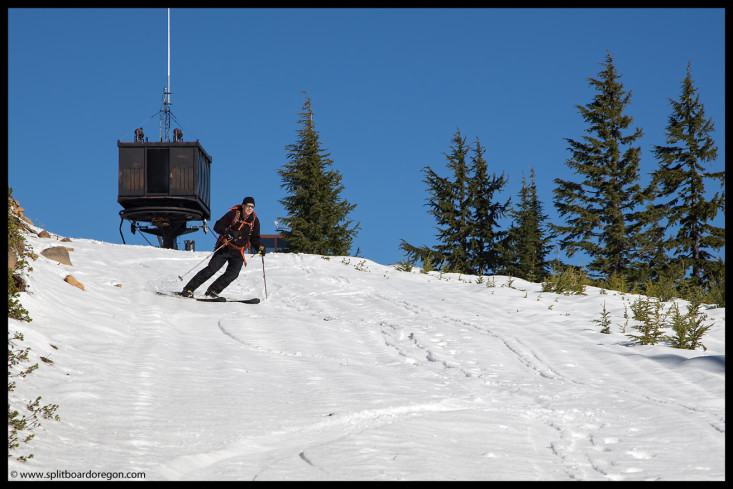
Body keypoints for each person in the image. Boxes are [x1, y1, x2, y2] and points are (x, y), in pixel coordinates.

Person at [181, 196, 264, 298]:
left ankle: (213, 291)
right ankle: (188, 289)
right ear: (243, 206)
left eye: (252, 206)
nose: (250, 208)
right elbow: (218, 226)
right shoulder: (233, 214)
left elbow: (255, 238)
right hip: (225, 247)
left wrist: (259, 247)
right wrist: (228, 232)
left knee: (233, 274)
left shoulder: (254, 221)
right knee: (212, 269)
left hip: (238, 251)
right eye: (248, 206)